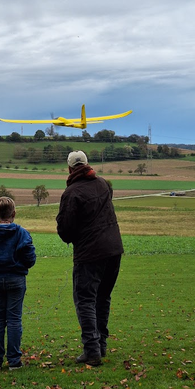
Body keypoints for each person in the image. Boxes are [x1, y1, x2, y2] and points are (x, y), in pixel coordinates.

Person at [56, 150, 124, 366]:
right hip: (114, 250)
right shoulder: (103, 184)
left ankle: (92, 351)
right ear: (87, 164)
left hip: (90, 254)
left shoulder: (72, 193)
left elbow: (65, 231)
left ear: (69, 169)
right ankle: (101, 345)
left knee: (85, 300)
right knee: (102, 298)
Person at [0, 196, 36, 370]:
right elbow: (30, 258)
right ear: (14, 213)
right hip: (16, 279)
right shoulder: (21, 233)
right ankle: (14, 361)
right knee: (14, 320)